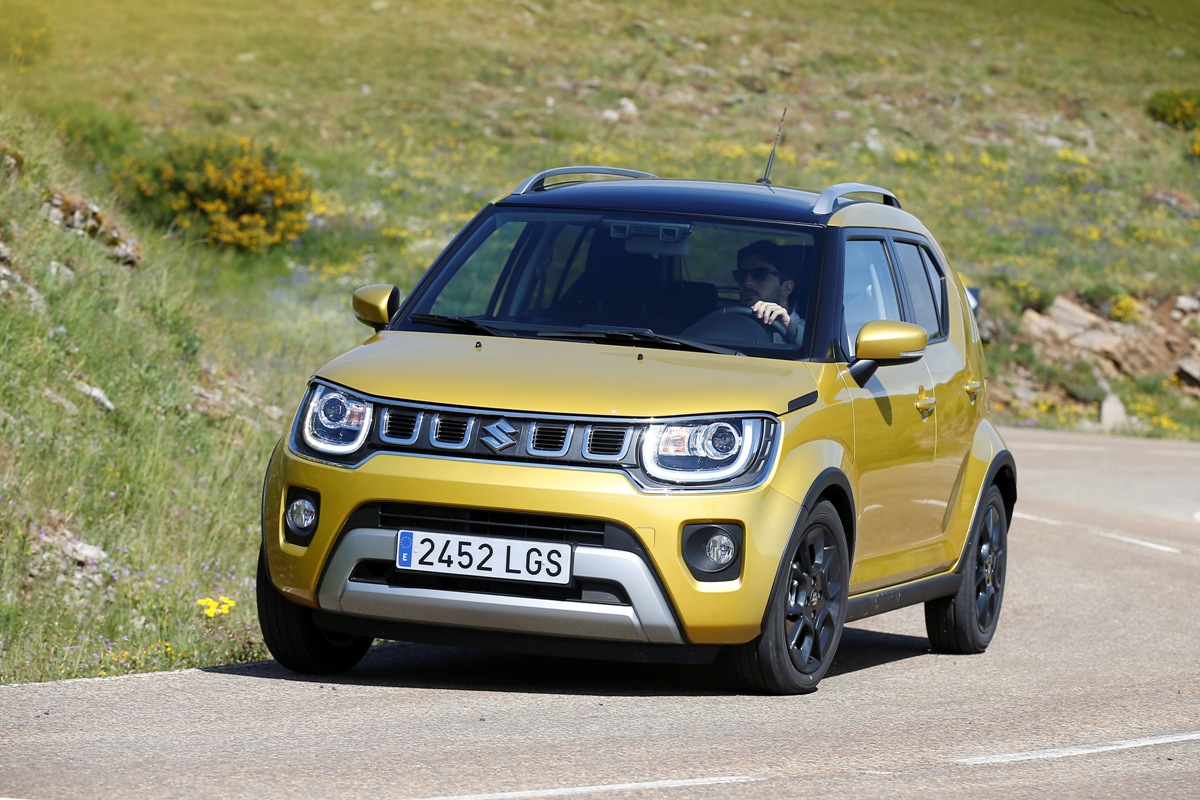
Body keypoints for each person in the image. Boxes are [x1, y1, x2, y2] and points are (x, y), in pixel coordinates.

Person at [734, 240, 799, 342]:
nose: (747, 282)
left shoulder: (814, 332)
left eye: (759, 273)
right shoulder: (728, 323)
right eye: (742, 274)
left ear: (787, 288)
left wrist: (790, 329)